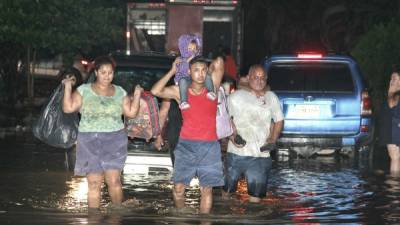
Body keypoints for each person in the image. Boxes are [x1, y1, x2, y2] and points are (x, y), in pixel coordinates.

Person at [62, 56, 143, 212]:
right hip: (89, 141)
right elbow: (68, 108)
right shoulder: (83, 90)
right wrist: (67, 87)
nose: (107, 76)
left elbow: (131, 113)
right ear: (96, 72)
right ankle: (93, 217)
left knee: (114, 181)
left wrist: (137, 95)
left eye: (110, 72)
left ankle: (116, 215)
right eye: (103, 72)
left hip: (114, 140)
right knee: (93, 183)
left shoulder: (120, 92)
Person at [151, 56, 225, 214]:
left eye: (203, 70)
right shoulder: (180, 91)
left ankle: (205, 222)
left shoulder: (213, 87)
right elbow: (155, 91)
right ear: (189, 72)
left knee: (206, 190)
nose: (200, 74)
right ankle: (181, 218)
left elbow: (219, 61)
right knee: (178, 188)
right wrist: (173, 70)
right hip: (186, 145)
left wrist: (198, 59)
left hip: (210, 146)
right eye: (196, 70)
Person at [222, 64, 284, 203]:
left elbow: (279, 120)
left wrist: (272, 139)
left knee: (256, 198)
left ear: (266, 79)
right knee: (227, 193)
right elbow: (225, 118)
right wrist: (233, 136)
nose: (259, 80)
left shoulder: (271, 97)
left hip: (261, 155)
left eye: (262, 78)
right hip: (237, 153)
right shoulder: (235, 97)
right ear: (248, 78)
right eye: (255, 77)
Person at [175, 34, 216, 110]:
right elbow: (182, 69)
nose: (192, 51)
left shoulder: (197, 59)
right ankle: (184, 101)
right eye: (190, 49)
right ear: (184, 48)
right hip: (186, 79)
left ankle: (211, 92)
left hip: (196, 80)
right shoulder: (181, 60)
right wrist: (190, 59)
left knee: (207, 76)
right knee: (182, 81)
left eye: (194, 49)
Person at [381, 71, 400, 174]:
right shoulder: (392, 94)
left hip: (394, 131)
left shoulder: (394, 95)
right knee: (395, 158)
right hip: (391, 130)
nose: (392, 80)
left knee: (395, 158)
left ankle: (394, 186)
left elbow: (392, 105)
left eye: (396, 79)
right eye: (392, 78)